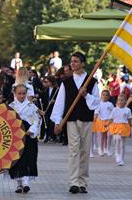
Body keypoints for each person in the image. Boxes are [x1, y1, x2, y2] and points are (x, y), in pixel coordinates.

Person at [51, 52, 100, 194]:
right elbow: (60, 102)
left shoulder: (92, 82)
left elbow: (96, 102)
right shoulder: (66, 82)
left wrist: (86, 95)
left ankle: (82, 182)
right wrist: (57, 121)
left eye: (76, 61)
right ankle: (73, 182)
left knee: (84, 151)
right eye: (72, 61)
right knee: (73, 150)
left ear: (82, 63)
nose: (73, 64)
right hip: (71, 119)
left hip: (86, 119)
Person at [9, 84, 41, 193]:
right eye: (19, 93)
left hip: (28, 135)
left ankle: (26, 182)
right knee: (17, 159)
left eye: (24, 93)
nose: (22, 96)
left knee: (28, 157)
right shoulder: (11, 106)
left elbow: (37, 120)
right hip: (16, 135)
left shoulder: (32, 106)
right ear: (15, 94)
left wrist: (31, 130)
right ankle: (19, 184)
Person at [109, 94, 132, 166]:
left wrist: (130, 130)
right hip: (115, 126)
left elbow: (129, 121)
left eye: (122, 100)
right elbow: (111, 119)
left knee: (122, 143)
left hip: (124, 127)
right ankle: (117, 153)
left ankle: (121, 158)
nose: (120, 102)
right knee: (116, 141)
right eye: (118, 100)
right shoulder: (114, 109)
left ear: (125, 101)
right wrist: (107, 125)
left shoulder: (127, 110)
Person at [93, 90, 114, 156]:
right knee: (101, 136)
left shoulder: (110, 104)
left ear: (108, 97)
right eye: (103, 95)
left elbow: (113, 113)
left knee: (108, 135)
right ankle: (100, 149)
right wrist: (94, 120)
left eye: (106, 95)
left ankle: (107, 148)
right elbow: (96, 113)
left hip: (108, 121)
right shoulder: (99, 104)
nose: (105, 96)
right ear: (101, 96)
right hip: (100, 121)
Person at [39, 75, 58, 143]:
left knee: (52, 123)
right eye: (45, 81)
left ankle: (53, 136)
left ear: (51, 82)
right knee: (46, 122)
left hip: (53, 108)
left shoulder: (57, 89)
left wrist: (54, 101)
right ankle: (47, 136)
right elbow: (43, 98)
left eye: (47, 81)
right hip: (47, 108)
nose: (46, 83)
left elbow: (59, 99)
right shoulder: (46, 89)